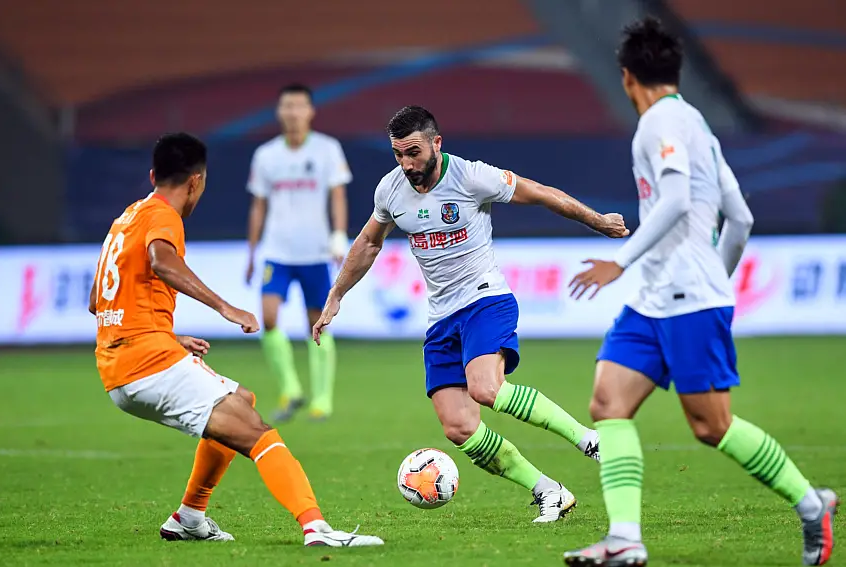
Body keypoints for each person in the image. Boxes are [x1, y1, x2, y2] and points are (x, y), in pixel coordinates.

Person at [563, 17, 838, 567]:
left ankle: (812, 505)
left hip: (683, 298)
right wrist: (716, 279)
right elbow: (741, 218)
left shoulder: (659, 123)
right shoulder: (697, 126)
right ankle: (625, 538)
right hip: (657, 299)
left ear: (627, 77)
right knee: (608, 403)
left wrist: (622, 262)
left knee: (712, 426)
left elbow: (674, 200)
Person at [312, 106, 629, 523]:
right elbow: (369, 242)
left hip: (485, 300)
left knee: (486, 388)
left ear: (436, 144)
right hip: (441, 318)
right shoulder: (390, 190)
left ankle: (589, 440)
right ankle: (548, 490)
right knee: (459, 427)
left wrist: (597, 221)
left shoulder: (471, 176)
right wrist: (336, 294)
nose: (406, 164)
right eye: (398, 154)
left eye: (413, 153)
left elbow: (540, 193)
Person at [90, 132, 382, 547]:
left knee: (241, 399)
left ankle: (189, 517)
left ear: (154, 175)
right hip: (146, 364)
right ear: (196, 181)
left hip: (119, 363)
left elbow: (97, 301)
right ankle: (317, 528)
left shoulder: (126, 218)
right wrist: (224, 307)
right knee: (258, 432)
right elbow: (162, 261)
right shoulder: (163, 216)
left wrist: (166, 334)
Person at [245, 83, 352, 422]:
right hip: (277, 251)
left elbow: (338, 196)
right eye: (287, 106)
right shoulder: (266, 155)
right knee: (268, 317)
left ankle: (322, 399)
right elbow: (258, 205)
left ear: (310, 111)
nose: (293, 112)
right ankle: (290, 389)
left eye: (299, 105)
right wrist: (251, 252)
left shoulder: (327, 149)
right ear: (279, 112)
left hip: (314, 252)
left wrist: (339, 237)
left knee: (316, 325)